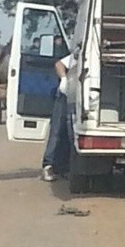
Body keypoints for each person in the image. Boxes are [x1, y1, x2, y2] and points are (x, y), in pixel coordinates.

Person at [41, 52, 75, 182]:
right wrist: (64, 79)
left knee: (70, 132)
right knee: (57, 130)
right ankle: (48, 165)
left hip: (79, 98)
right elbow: (59, 64)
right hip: (65, 95)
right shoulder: (79, 55)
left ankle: (64, 167)